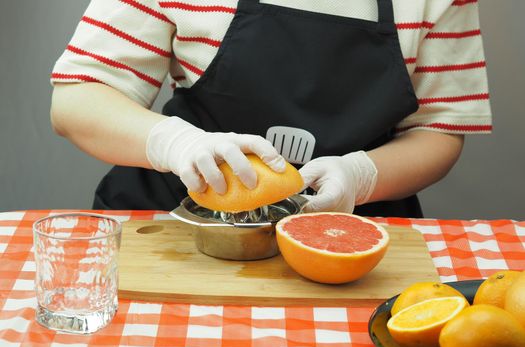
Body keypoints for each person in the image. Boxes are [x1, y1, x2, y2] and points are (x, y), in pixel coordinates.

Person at [50, 0, 492, 217]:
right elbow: (78, 97)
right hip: (174, 223)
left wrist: (361, 177)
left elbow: (439, 130)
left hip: (346, 233)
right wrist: (176, 142)